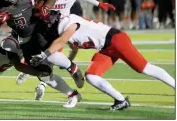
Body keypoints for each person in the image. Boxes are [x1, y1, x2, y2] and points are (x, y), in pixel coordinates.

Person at [30, 13, 175, 111]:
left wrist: (44, 54)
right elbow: (72, 48)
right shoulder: (64, 27)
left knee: (144, 68)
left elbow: (61, 40)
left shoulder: (66, 23)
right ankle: (121, 101)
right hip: (106, 48)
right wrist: (69, 63)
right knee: (91, 75)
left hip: (116, 40)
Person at [16, 0, 115, 101]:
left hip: (62, 28)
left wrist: (98, 3)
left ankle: (47, 79)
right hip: (45, 28)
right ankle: (35, 72)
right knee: (33, 49)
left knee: (51, 55)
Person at [0, 0, 83, 108]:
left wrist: (46, 7)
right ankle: (73, 95)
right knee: (44, 75)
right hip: (25, 41)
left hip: (41, 29)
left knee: (50, 51)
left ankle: (71, 66)